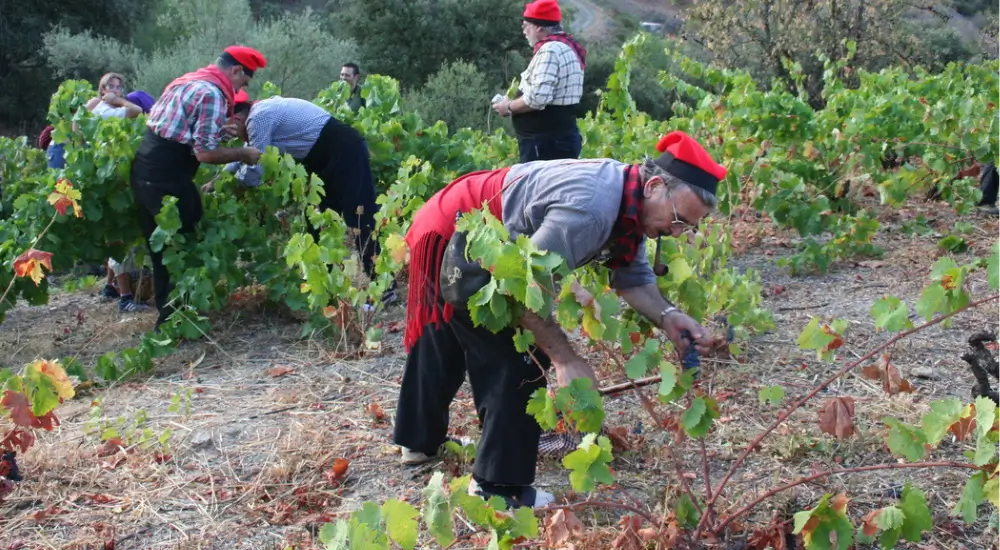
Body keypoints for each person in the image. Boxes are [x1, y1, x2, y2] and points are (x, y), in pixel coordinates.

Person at [393, 131, 726, 509]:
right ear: (653, 187)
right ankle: (499, 490)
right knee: (518, 355)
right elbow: (523, 286)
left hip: (462, 221)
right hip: (456, 230)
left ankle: (418, 443)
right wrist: (565, 358)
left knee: (448, 334)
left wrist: (668, 316)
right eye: (679, 219)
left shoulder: (629, 199)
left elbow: (631, 276)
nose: (677, 232)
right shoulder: (591, 209)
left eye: (689, 227)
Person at [129, 45, 266, 329]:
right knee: (184, 240)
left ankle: (169, 318)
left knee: (161, 247)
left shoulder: (189, 81)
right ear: (236, 70)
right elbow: (205, 154)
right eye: (244, 80)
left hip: (144, 169)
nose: (242, 86)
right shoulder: (212, 94)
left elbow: (181, 131)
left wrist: (219, 132)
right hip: (167, 175)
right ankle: (176, 320)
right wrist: (244, 153)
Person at [214, 91, 381, 280]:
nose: (227, 135)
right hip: (322, 158)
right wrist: (215, 183)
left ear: (235, 118)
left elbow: (255, 169)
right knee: (319, 221)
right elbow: (242, 156)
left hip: (344, 150)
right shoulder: (258, 114)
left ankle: (382, 284)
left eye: (225, 128)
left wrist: (233, 189)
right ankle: (324, 282)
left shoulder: (258, 118)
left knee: (359, 215)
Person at [491, 0, 585, 163]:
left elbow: (537, 98)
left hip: (545, 145)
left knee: (541, 188)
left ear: (539, 27)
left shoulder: (550, 50)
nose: (524, 32)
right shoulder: (567, 47)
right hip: (555, 141)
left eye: (526, 26)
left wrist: (508, 107)